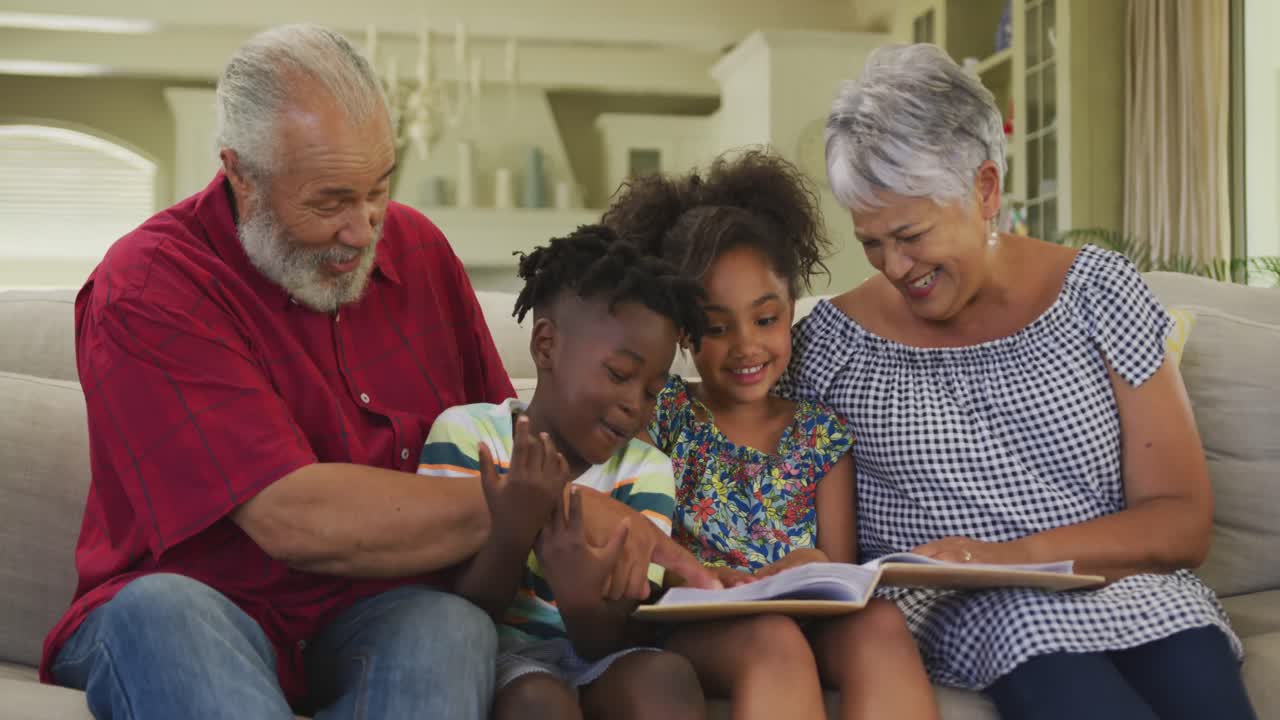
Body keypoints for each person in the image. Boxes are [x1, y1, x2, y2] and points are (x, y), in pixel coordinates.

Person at [40, 24, 713, 719]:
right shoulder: (153, 285)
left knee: (448, 625)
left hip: (377, 611)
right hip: (201, 604)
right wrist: (551, 500)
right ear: (241, 175)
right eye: (329, 202)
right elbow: (292, 519)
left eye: (378, 190)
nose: (363, 230)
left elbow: (504, 452)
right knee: (163, 610)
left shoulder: (419, 253)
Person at [778, 43, 1258, 720]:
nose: (893, 265)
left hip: (1132, 590)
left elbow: (1180, 520)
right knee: (1050, 657)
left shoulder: (1099, 292)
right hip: (980, 614)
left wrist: (1011, 553)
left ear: (984, 190)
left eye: (911, 234)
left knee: (1192, 668)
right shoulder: (826, 350)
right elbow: (781, 510)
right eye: (872, 242)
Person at [604, 150, 940, 720]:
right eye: (716, 327)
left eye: (765, 319)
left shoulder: (820, 436)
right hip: (704, 625)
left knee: (880, 619)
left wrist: (810, 561)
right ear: (682, 331)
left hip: (805, 619)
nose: (746, 347)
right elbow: (636, 549)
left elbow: (840, 570)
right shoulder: (664, 416)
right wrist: (704, 576)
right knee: (773, 638)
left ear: (791, 308)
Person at [418, 226, 708, 720]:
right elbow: (455, 612)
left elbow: (617, 637)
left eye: (652, 391)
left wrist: (581, 601)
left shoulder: (646, 470)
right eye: (619, 374)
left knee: (665, 675)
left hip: (599, 655)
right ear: (547, 345)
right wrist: (513, 531)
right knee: (539, 700)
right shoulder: (468, 436)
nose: (633, 404)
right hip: (499, 658)